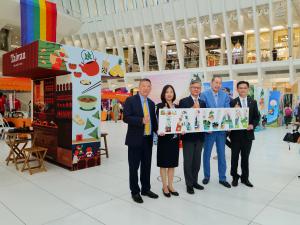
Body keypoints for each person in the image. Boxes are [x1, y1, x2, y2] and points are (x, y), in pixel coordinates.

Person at [123, 78, 158, 204]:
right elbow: (126, 118)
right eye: (143, 86)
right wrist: (140, 120)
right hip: (135, 140)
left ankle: (146, 189)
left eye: (148, 86)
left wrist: (159, 130)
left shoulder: (151, 103)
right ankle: (135, 191)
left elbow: (153, 121)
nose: (146, 88)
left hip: (148, 139)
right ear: (139, 87)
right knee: (134, 167)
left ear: (150, 88)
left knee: (146, 166)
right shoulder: (130, 100)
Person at [200, 76, 231, 188]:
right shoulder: (204, 95)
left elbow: (227, 111)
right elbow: (202, 112)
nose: (218, 85)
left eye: (220, 83)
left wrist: (228, 125)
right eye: (216, 82)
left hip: (221, 131)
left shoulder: (225, 95)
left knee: (222, 154)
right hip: (209, 131)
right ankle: (206, 176)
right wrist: (206, 128)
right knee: (207, 154)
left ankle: (222, 178)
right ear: (211, 83)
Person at [229, 81, 260, 187]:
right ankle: (234, 177)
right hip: (236, 136)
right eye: (240, 88)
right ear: (237, 89)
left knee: (245, 158)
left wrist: (252, 125)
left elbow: (257, 117)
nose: (243, 89)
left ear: (248, 89)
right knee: (234, 158)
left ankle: (245, 178)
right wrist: (233, 111)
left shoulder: (253, 102)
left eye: (245, 88)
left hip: (248, 135)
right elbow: (228, 118)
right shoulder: (232, 102)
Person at [179, 80, 206, 194]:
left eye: (198, 88)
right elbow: (181, 117)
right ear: (190, 88)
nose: (196, 89)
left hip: (200, 137)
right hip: (188, 138)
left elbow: (204, 118)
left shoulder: (203, 102)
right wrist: (192, 109)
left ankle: (195, 181)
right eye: (194, 87)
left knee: (197, 161)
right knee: (188, 162)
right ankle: (189, 184)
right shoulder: (184, 101)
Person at [156, 85, 180, 197]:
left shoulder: (177, 107)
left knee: (172, 164)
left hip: (174, 140)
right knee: (163, 164)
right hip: (164, 139)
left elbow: (180, 121)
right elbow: (156, 123)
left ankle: (171, 185)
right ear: (163, 94)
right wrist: (157, 130)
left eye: (171, 92)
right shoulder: (160, 106)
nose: (169, 94)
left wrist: (182, 129)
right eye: (167, 92)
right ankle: (164, 186)